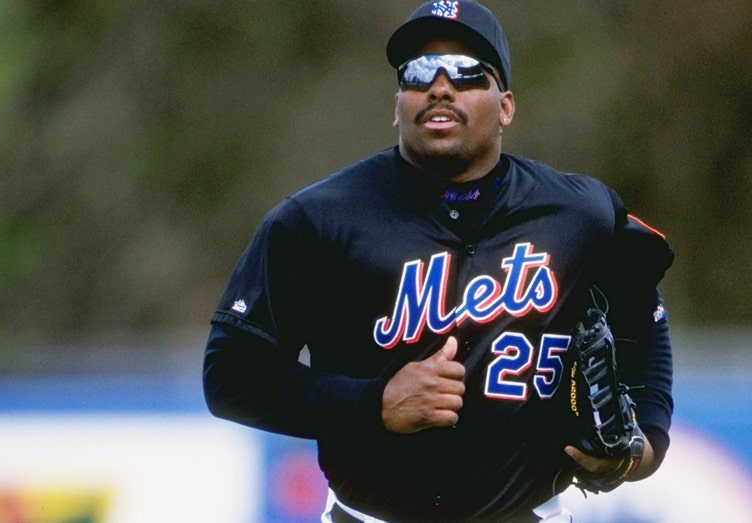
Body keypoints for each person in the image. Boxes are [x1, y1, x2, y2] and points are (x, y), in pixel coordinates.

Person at [203, 2, 675, 522]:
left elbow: (643, 325)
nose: (440, 87)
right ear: (397, 103)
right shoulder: (317, 221)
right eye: (419, 73)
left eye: (468, 72)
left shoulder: (579, 213)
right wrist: (374, 403)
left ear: (506, 106)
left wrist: (646, 446)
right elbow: (230, 375)